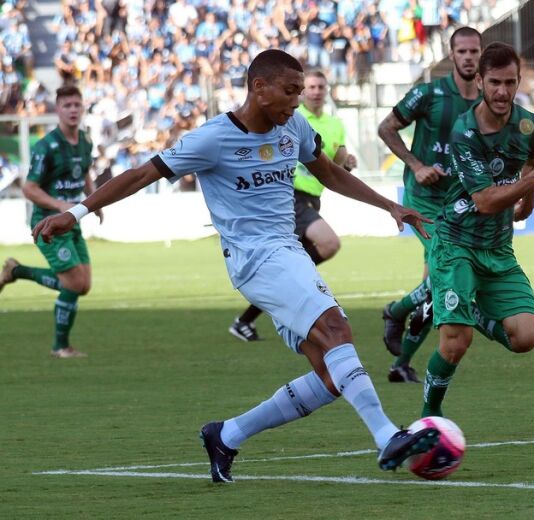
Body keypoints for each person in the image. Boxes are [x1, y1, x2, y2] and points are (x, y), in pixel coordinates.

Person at [32, 50, 439, 483]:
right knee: (337, 328)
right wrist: (74, 213)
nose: (297, 102)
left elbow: (329, 174)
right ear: (258, 88)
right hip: (256, 258)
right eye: (289, 91)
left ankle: (227, 434)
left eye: (300, 92)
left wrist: (391, 206)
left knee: (330, 375)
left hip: (286, 254)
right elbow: (139, 175)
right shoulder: (212, 138)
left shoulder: (294, 127)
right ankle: (387, 436)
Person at [421, 42, 534, 418]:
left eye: (510, 82)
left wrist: (530, 199)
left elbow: (532, 158)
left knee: (526, 337)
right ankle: (429, 416)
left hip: (497, 248)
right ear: (481, 82)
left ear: (519, 81)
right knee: (455, 343)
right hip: (456, 243)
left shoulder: (529, 125)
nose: (503, 92)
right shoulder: (465, 132)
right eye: (495, 82)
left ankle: (472, 311)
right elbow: (485, 200)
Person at [377, 26, 481, 383]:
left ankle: (400, 364)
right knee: (446, 271)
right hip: (425, 201)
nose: (469, 57)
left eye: (474, 51)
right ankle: (396, 311)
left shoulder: (487, 101)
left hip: (460, 204)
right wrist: (416, 165)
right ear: (452, 55)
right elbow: (386, 127)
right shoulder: (429, 93)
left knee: (437, 285)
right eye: (462, 51)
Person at [230, 69, 357, 342]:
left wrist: (347, 162)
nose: (315, 91)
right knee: (328, 243)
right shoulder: (291, 118)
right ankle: (297, 298)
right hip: (291, 196)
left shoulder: (335, 124)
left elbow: (336, 161)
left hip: (314, 199)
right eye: (310, 86)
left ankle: (245, 320)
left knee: (283, 270)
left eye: (320, 86)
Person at [0, 85, 103, 358]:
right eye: (67, 105)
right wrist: (60, 206)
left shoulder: (85, 141)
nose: (72, 110)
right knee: (73, 284)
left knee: (83, 285)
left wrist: (95, 201)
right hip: (48, 223)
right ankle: (60, 347)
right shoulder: (47, 146)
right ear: (57, 110)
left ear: (82, 109)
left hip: (71, 221)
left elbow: (85, 174)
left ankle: (16, 271)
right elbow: (29, 188)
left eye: (76, 105)